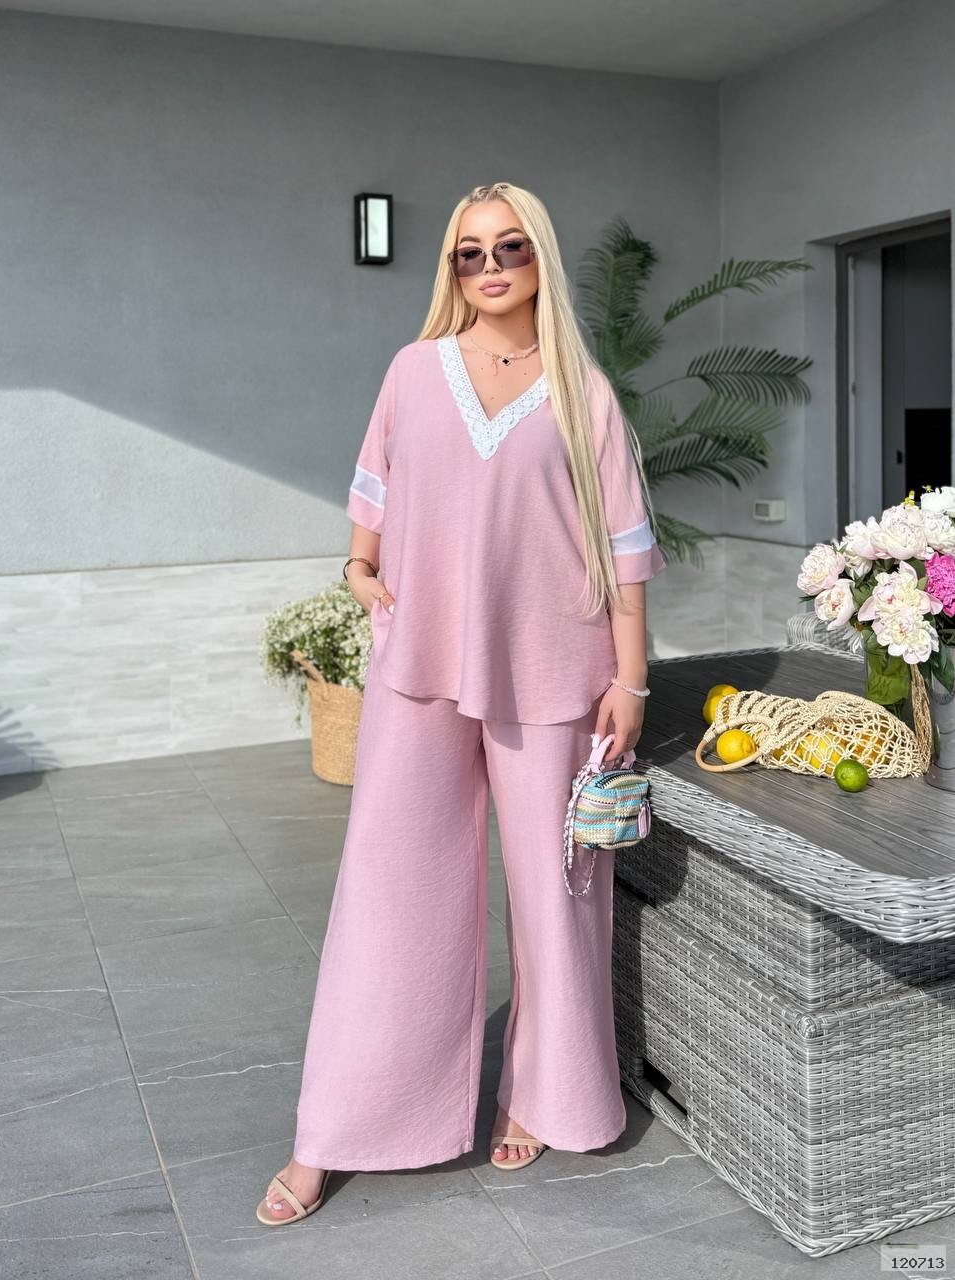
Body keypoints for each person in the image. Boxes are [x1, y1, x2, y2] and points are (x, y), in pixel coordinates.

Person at [257, 180, 666, 1225]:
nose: (489, 267)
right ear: (452, 268)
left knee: (557, 892)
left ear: (539, 258)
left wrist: (629, 677)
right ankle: (335, 1129)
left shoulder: (583, 391)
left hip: (557, 669)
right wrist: (360, 571)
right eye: (468, 253)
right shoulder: (412, 370)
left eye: (508, 248)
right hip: (420, 663)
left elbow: (622, 551)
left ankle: (543, 1090)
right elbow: (374, 492)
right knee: (388, 890)